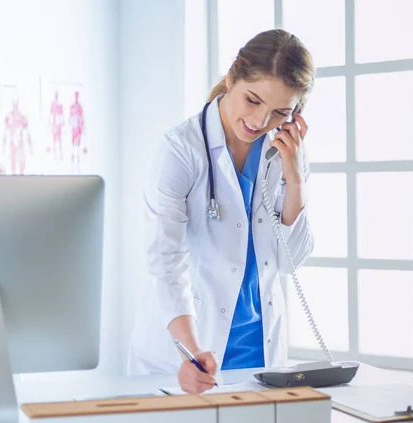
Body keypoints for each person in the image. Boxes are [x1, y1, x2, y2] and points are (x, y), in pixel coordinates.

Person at [127, 29, 316, 394]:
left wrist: (295, 181)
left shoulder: (284, 151)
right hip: (191, 349)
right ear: (232, 78)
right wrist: (191, 351)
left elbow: (290, 262)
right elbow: (165, 261)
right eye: (253, 100)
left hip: (259, 351)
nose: (261, 121)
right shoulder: (181, 149)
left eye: (280, 112)